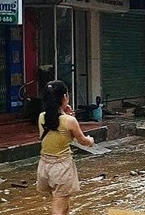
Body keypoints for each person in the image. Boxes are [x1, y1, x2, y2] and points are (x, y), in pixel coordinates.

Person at [37, 80, 94, 215]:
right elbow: (83, 141)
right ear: (64, 97)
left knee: (63, 203)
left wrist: (64, 112)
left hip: (44, 167)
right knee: (59, 207)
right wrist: (91, 140)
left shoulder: (41, 117)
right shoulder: (69, 121)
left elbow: (55, 127)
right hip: (61, 167)